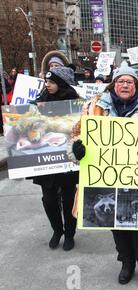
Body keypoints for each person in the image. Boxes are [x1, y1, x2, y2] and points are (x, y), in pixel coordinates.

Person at [69, 61, 138, 286]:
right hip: (106, 177)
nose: (125, 85)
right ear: (113, 84)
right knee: (117, 224)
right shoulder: (94, 107)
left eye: (129, 81)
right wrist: (78, 147)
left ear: (136, 85)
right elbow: (77, 133)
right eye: (120, 81)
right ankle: (126, 262)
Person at [31, 66, 80, 251]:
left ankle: (69, 233)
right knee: (49, 200)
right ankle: (57, 230)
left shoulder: (73, 101)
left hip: (67, 159)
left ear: (60, 83)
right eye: (46, 82)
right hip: (46, 158)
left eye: (51, 82)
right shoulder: (40, 100)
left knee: (68, 199)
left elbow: (81, 127)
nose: (48, 85)